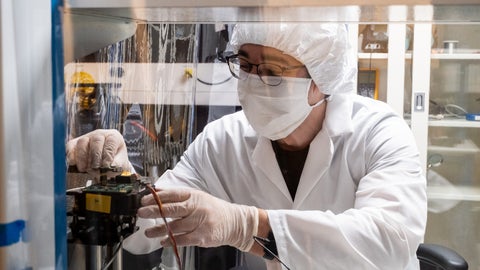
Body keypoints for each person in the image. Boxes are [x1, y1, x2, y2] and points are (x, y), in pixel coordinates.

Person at [66, 23, 427, 269]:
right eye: (245, 64)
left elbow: (390, 242)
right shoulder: (223, 139)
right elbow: (149, 231)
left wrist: (248, 225)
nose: (253, 82)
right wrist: (119, 179)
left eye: (271, 71)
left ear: (320, 80)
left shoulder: (379, 131)